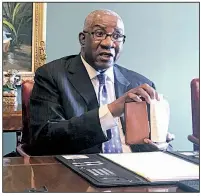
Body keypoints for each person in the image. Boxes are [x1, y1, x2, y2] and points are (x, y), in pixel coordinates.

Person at [28, 9, 174, 155]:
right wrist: (110, 111)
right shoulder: (52, 76)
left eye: (116, 36)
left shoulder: (140, 84)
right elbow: (44, 138)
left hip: (135, 169)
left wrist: (160, 145)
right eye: (99, 34)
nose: (109, 43)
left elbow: (157, 142)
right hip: (81, 168)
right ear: (83, 39)